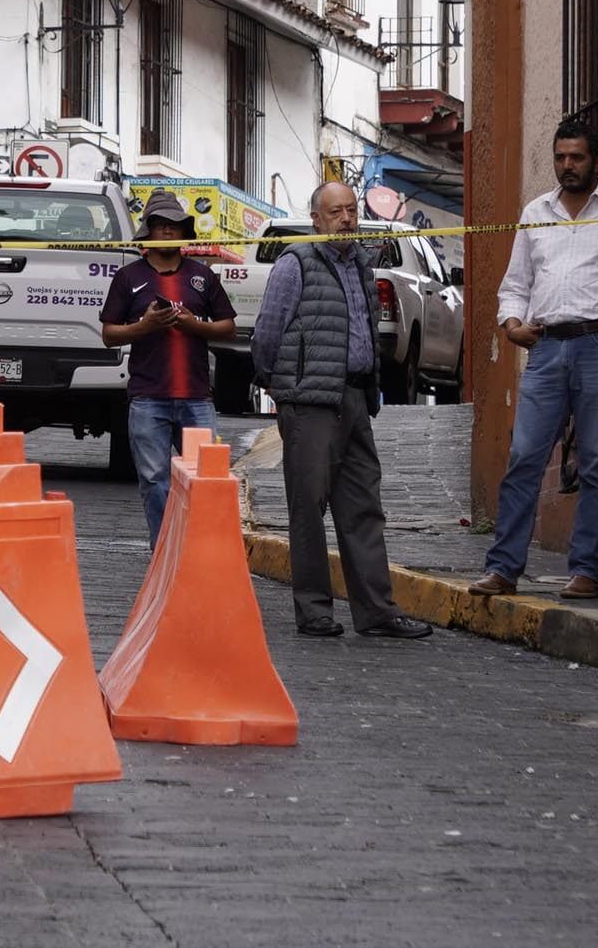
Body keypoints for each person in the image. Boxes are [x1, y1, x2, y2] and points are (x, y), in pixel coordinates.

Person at [472, 116, 598, 602]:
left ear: (595, 160)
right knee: (524, 458)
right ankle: (502, 568)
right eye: (560, 157)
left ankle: (586, 571)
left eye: (576, 157)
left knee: (596, 462)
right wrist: (513, 326)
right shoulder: (535, 211)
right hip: (545, 347)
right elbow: (515, 285)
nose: (567, 166)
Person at [250, 182, 431, 641]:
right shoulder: (296, 264)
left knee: (363, 507)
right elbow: (267, 333)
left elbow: (367, 332)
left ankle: (376, 611)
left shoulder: (363, 268)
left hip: (354, 400)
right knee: (308, 509)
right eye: (335, 212)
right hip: (310, 403)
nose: (346, 219)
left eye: (351, 210)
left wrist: (369, 392)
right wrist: (282, 385)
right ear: (316, 218)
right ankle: (314, 611)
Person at [99, 191, 235, 544]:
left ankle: (199, 550)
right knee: (154, 482)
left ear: (183, 231)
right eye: (159, 225)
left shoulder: (203, 277)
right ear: (148, 232)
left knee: (204, 480)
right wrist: (144, 327)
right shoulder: (128, 278)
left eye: (174, 225)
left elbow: (228, 327)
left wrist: (194, 326)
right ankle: (163, 550)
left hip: (197, 398)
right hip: (148, 398)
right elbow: (109, 335)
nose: (167, 232)